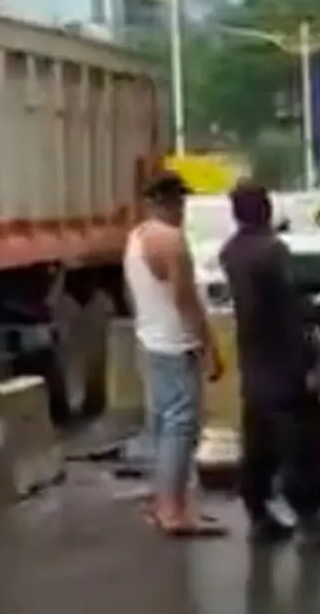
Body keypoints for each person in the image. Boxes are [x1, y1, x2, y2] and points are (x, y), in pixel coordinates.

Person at [219, 180, 320, 551]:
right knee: (304, 443)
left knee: (259, 443)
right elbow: (288, 313)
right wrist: (310, 362)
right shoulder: (272, 251)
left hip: (254, 361)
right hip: (285, 364)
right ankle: (311, 521)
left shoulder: (231, 251)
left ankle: (259, 514)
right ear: (265, 208)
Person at [124, 171, 226, 536]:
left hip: (150, 341)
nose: (182, 209)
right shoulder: (170, 240)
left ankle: (164, 503)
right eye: (179, 201)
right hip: (175, 343)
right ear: (168, 202)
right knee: (181, 426)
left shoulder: (136, 238)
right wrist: (208, 346)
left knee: (164, 426)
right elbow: (185, 299)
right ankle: (173, 511)